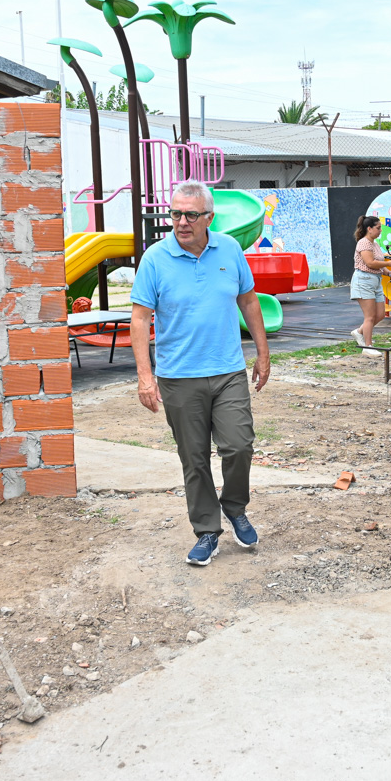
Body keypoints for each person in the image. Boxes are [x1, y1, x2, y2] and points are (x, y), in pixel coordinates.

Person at [130, 181, 271, 567]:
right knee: (194, 459)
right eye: (175, 213)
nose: (181, 221)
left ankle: (235, 507)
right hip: (178, 376)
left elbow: (248, 300)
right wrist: (145, 376)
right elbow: (140, 319)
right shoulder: (155, 259)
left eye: (191, 215)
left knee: (239, 445)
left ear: (209, 217)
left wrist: (262, 353)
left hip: (227, 371)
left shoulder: (229, 249)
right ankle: (207, 530)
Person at [350, 215, 391, 348]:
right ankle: (368, 346)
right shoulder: (363, 243)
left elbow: (378, 264)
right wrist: (390, 263)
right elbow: (370, 263)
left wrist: (388, 272)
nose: (380, 230)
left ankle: (359, 332)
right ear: (369, 228)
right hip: (364, 280)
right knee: (369, 317)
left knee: (380, 315)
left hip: (375, 280)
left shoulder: (374, 244)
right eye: (378, 228)